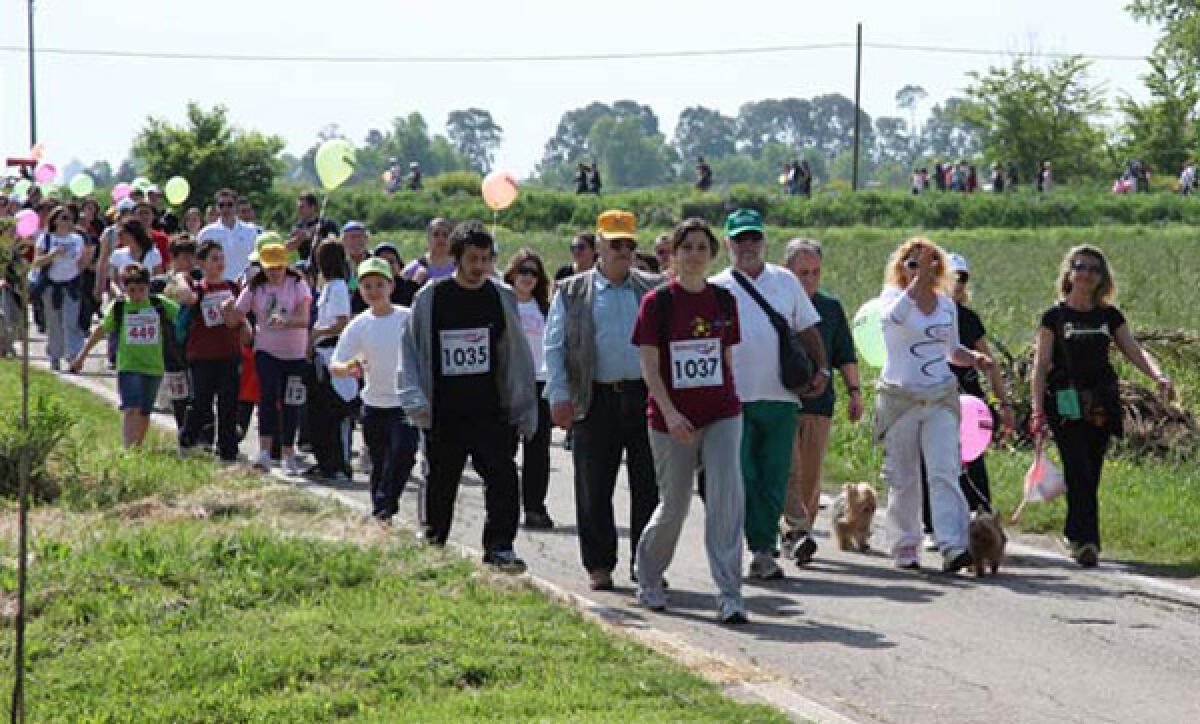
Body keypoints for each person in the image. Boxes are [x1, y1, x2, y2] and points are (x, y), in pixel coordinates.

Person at [399, 221, 537, 573]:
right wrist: (414, 398)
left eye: (486, 259)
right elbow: (411, 350)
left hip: (490, 408)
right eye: (473, 259)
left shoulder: (500, 296)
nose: (479, 266)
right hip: (445, 410)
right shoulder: (431, 297)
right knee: (441, 480)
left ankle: (500, 547)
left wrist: (521, 405)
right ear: (457, 257)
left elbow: (515, 353)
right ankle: (433, 543)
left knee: (503, 477)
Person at [631, 218, 746, 624]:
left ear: (712, 254)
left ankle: (730, 593)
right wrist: (671, 413)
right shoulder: (658, 303)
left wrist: (730, 402)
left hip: (721, 413)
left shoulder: (724, 301)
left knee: (725, 500)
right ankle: (649, 576)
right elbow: (650, 367)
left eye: (701, 247)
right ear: (674, 255)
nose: (694, 255)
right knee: (675, 505)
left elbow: (726, 359)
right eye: (687, 247)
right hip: (671, 419)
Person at [1030, 245, 1172, 567]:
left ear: (1102, 277)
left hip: (1101, 400)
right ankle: (1087, 541)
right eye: (1081, 267)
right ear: (1070, 272)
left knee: (1091, 469)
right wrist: (1037, 410)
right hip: (1065, 399)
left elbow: (1134, 350)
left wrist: (1157, 375)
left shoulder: (1109, 316)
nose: (1087, 274)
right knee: (1077, 465)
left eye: (1094, 269)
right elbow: (1041, 366)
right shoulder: (1054, 317)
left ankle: (1074, 532)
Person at [544, 210, 662, 591]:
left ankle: (646, 563)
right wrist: (559, 396)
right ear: (598, 245)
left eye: (628, 244)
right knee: (593, 485)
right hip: (594, 396)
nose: (622, 250)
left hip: (645, 395)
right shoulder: (572, 291)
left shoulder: (653, 287)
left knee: (649, 485)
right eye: (615, 243)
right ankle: (598, 563)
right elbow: (555, 346)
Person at [710, 210, 825, 580]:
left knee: (775, 477)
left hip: (781, 397)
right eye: (740, 239)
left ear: (763, 241)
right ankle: (748, 542)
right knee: (743, 475)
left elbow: (807, 329)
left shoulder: (785, 281)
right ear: (727, 243)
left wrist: (822, 369)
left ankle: (763, 550)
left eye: (753, 237)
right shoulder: (716, 287)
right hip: (734, 399)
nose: (748, 245)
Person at [875, 237, 993, 572]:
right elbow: (893, 320)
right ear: (902, 268)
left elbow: (951, 350)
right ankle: (905, 544)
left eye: (930, 263)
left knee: (945, 470)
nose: (923, 270)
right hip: (901, 398)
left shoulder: (946, 305)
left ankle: (952, 544)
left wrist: (974, 358)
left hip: (940, 395)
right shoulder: (892, 300)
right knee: (904, 476)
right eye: (913, 263)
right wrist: (916, 283)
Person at [780, 239, 863, 564]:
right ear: (787, 271)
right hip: (781, 401)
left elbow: (844, 353)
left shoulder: (830, 308)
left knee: (810, 476)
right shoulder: (775, 303)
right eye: (803, 272)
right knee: (786, 471)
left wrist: (854, 392)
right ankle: (792, 532)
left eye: (815, 272)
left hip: (819, 404)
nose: (810, 279)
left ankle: (802, 534)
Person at [919, 252, 1014, 530]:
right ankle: (932, 523)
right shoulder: (923, 314)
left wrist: (1003, 403)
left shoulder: (970, 319)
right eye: (952, 277)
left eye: (962, 278)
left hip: (968, 402)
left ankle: (981, 518)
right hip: (934, 395)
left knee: (973, 460)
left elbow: (990, 363)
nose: (957, 284)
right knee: (932, 460)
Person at [332, 257, 419, 522]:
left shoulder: (408, 318)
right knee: (380, 463)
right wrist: (348, 367)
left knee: (403, 454)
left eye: (379, 284)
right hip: (373, 405)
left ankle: (385, 506)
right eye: (367, 286)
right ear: (360, 290)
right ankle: (381, 512)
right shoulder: (359, 324)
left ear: (391, 286)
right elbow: (336, 363)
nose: (374, 291)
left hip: (404, 404)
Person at [224, 243, 313, 474]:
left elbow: (304, 319)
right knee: (267, 397)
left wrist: (286, 321)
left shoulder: (298, 283)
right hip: (266, 350)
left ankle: (288, 452)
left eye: (279, 267)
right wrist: (228, 309)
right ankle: (264, 452)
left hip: (294, 353)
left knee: (290, 402)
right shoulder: (255, 287)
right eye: (270, 268)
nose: (275, 272)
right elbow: (235, 317)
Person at [70, 263, 179, 447]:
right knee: (131, 408)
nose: (137, 295)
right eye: (132, 290)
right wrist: (81, 356)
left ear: (149, 287)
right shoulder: (119, 307)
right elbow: (101, 331)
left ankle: (137, 448)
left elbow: (182, 317)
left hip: (153, 367)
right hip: (128, 366)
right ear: (124, 289)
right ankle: (128, 449)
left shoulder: (159, 304)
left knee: (144, 411)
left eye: (142, 290)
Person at [175, 240, 245, 462]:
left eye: (221, 258)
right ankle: (187, 440)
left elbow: (240, 319)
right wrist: (181, 277)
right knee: (201, 403)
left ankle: (228, 450)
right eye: (214, 259)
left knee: (228, 403)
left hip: (229, 353)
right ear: (202, 263)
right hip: (202, 354)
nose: (220, 263)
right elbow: (186, 297)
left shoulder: (232, 288)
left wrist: (233, 314)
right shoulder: (198, 288)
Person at [503, 248, 555, 530]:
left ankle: (534, 507)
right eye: (523, 271)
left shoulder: (545, 308)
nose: (528, 277)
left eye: (534, 273)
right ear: (512, 274)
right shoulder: (503, 303)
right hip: (509, 382)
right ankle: (504, 505)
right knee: (505, 450)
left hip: (539, 382)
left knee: (538, 450)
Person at [307, 239, 357, 478]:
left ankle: (340, 463)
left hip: (333, 353)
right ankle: (325, 460)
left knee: (337, 410)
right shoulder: (326, 287)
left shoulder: (338, 287)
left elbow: (341, 323)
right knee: (320, 413)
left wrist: (318, 333)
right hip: (321, 355)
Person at [32, 206, 88, 371]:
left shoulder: (77, 239)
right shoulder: (46, 238)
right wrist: (52, 255)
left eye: (70, 218)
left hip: (71, 284)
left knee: (71, 322)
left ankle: (73, 357)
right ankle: (55, 356)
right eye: (63, 218)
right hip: (51, 285)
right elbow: (36, 262)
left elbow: (81, 262)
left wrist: (85, 261)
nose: (67, 221)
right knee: (53, 322)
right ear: (54, 220)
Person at [197, 188, 259, 283]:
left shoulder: (250, 231)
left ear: (236, 206)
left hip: (246, 285)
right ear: (217, 208)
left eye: (230, 205)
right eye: (221, 205)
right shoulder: (206, 233)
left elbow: (256, 262)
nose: (225, 209)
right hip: (217, 286)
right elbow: (200, 263)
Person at [403, 218, 455, 286]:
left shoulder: (459, 267)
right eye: (436, 234)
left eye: (445, 235)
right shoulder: (415, 267)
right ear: (428, 238)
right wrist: (414, 284)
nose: (441, 238)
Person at [290, 191, 338, 261]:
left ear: (313, 207)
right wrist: (300, 238)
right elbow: (288, 247)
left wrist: (311, 234)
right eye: (299, 207)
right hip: (305, 263)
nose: (299, 210)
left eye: (302, 207)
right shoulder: (298, 227)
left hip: (326, 262)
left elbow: (335, 242)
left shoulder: (327, 224)